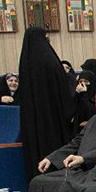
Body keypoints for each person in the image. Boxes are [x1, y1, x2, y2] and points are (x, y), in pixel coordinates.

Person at [17, 27, 77, 182]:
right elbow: (63, 93)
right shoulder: (50, 60)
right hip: (52, 118)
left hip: (32, 119)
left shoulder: (25, 62)